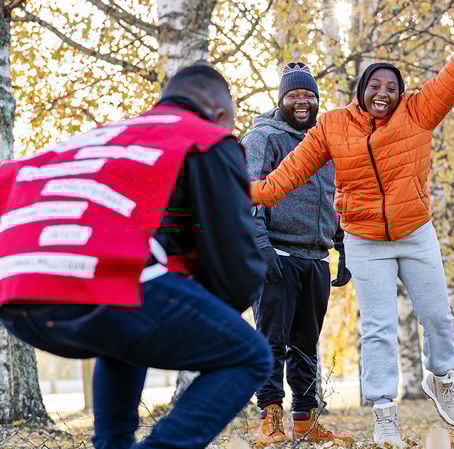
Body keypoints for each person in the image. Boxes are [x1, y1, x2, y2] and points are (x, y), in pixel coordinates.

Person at [250, 8, 454, 447]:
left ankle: (440, 377)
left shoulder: (419, 111)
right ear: (361, 90)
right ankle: (384, 414)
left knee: (438, 317)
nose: (383, 93)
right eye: (375, 86)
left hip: (415, 232)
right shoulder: (332, 126)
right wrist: (251, 193)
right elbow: (292, 171)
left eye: (392, 87)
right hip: (364, 239)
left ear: (401, 93)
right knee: (378, 329)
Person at [0, 64, 270, 449]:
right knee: (250, 355)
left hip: (15, 287)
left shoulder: (105, 139)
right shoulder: (206, 137)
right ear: (219, 112)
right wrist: (224, 308)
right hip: (97, 280)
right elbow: (235, 261)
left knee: (125, 329)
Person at [242, 62, 352, 447]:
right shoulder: (263, 137)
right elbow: (247, 192)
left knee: (307, 343)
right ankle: (270, 419)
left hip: (315, 256)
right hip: (276, 253)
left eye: (309, 96)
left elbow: (337, 196)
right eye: (293, 96)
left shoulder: (326, 142)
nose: (302, 102)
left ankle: (306, 420)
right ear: (281, 100)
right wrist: (259, 245)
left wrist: (343, 246)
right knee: (271, 340)